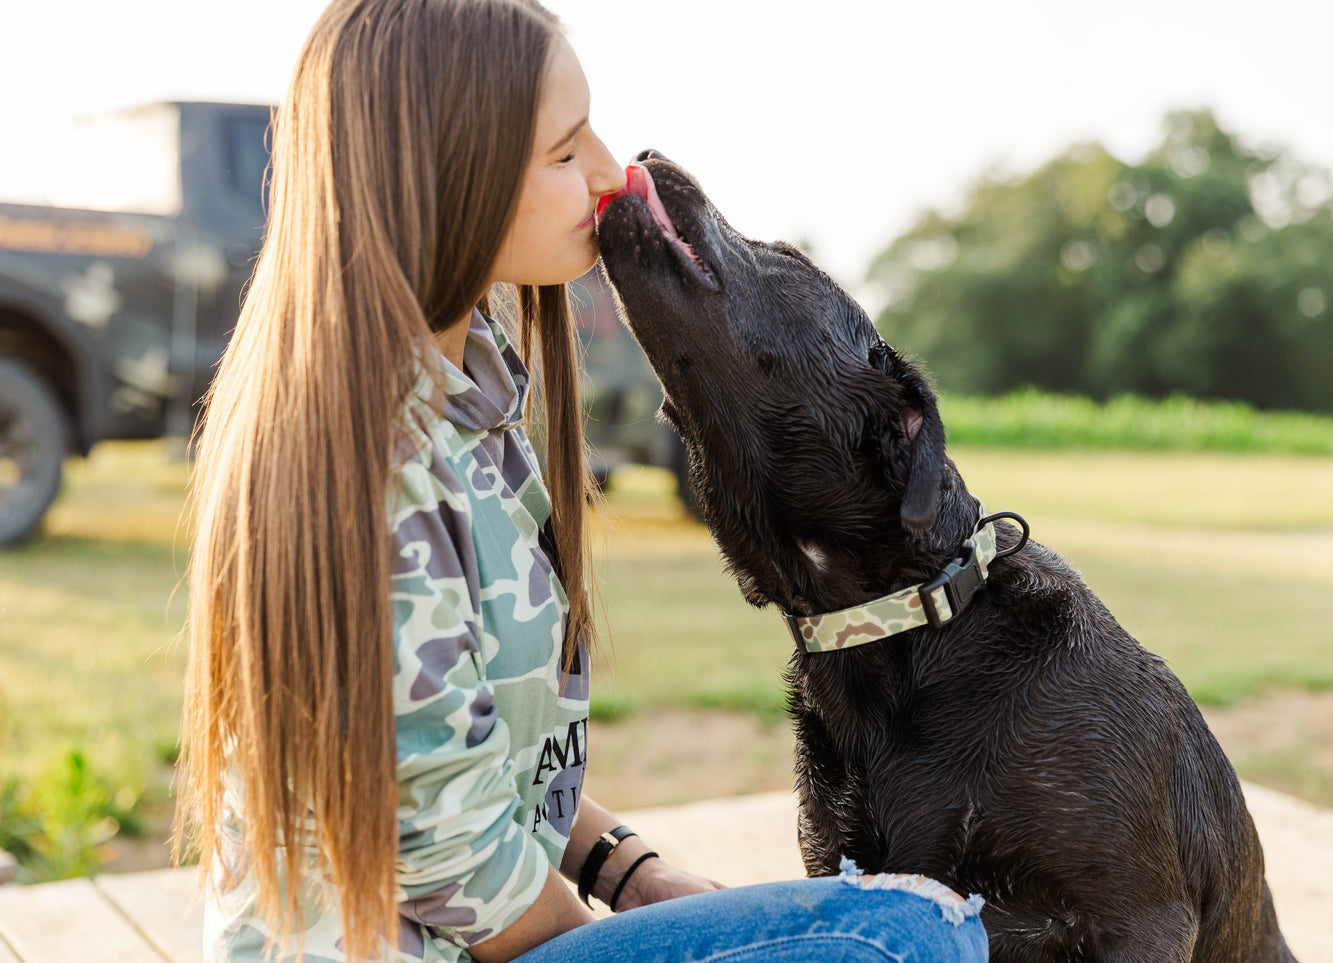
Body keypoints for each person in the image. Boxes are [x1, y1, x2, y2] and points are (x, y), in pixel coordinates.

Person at [174, 0, 991, 960]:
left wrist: (630, 871)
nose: (612, 175)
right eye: (565, 152)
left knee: (906, 921)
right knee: (906, 940)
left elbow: (471, 763)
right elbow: (455, 861)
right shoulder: (370, 464)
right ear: (444, 178)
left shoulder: (465, 387)